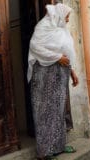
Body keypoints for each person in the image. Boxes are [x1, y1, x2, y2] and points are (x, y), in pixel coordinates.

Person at [27, 2, 78, 160]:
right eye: (67, 16)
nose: (68, 20)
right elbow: (35, 47)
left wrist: (72, 72)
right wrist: (57, 57)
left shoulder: (61, 30)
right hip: (44, 74)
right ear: (59, 15)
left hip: (59, 74)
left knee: (59, 110)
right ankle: (44, 152)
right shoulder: (43, 26)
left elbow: (66, 53)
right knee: (44, 111)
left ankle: (58, 146)